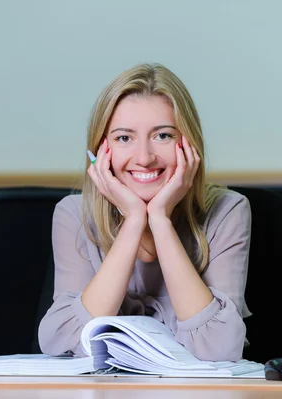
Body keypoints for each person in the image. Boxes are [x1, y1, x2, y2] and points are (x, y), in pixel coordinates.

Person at [38, 63, 252, 362]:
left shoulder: (227, 211)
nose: (144, 158)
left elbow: (218, 348)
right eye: (124, 138)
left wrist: (160, 220)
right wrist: (135, 220)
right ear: (100, 152)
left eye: (162, 136)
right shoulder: (74, 215)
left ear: (188, 143)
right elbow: (64, 343)